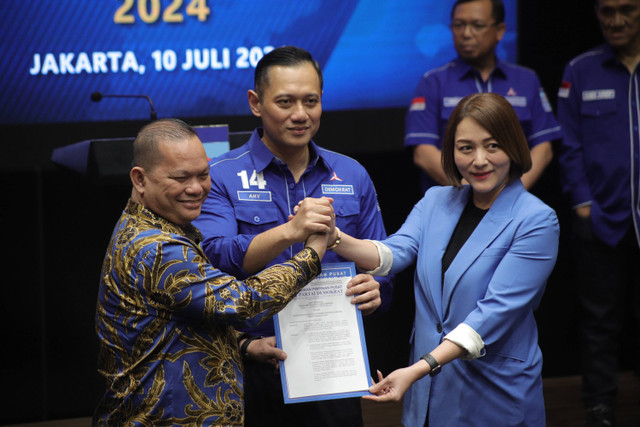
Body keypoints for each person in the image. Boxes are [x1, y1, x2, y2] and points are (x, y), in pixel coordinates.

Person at [324, 93, 559, 426]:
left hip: (494, 391)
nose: (479, 160)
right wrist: (333, 235)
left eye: (492, 146)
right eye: (466, 148)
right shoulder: (436, 200)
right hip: (429, 393)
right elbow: (392, 254)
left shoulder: (536, 219)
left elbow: (492, 314)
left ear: (513, 146)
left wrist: (418, 369)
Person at [192, 46, 392, 426]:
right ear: (256, 103)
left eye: (311, 101)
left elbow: (383, 261)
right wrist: (289, 232)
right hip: (251, 364)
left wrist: (377, 288)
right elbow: (213, 259)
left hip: (333, 366)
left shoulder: (352, 174)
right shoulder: (219, 175)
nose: (300, 115)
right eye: (285, 102)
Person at [93, 118, 334, 426]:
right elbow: (245, 302)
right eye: (181, 178)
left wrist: (245, 344)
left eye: (204, 174)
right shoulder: (155, 247)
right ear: (140, 179)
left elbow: (183, 321)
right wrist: (312, 252)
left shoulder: (155, 227)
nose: (196, 188)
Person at [556, 0, 640, 425]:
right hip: (601, 219)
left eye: (627, 9)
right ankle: (600, 404)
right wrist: (583, 205)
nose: (617, 20)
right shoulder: (580, 69)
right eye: (607, 11)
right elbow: (568, 145)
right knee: (599, 320)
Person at [405, 0, 562, 194]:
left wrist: (509, 195)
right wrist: (473, 194)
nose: (466, 33)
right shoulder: (433, 82)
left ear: (500, 30)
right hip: (452, 205)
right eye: (459, 25)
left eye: (477, 25)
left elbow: (543, 149)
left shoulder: (526, 79)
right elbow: (423, 153)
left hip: (515, 207)